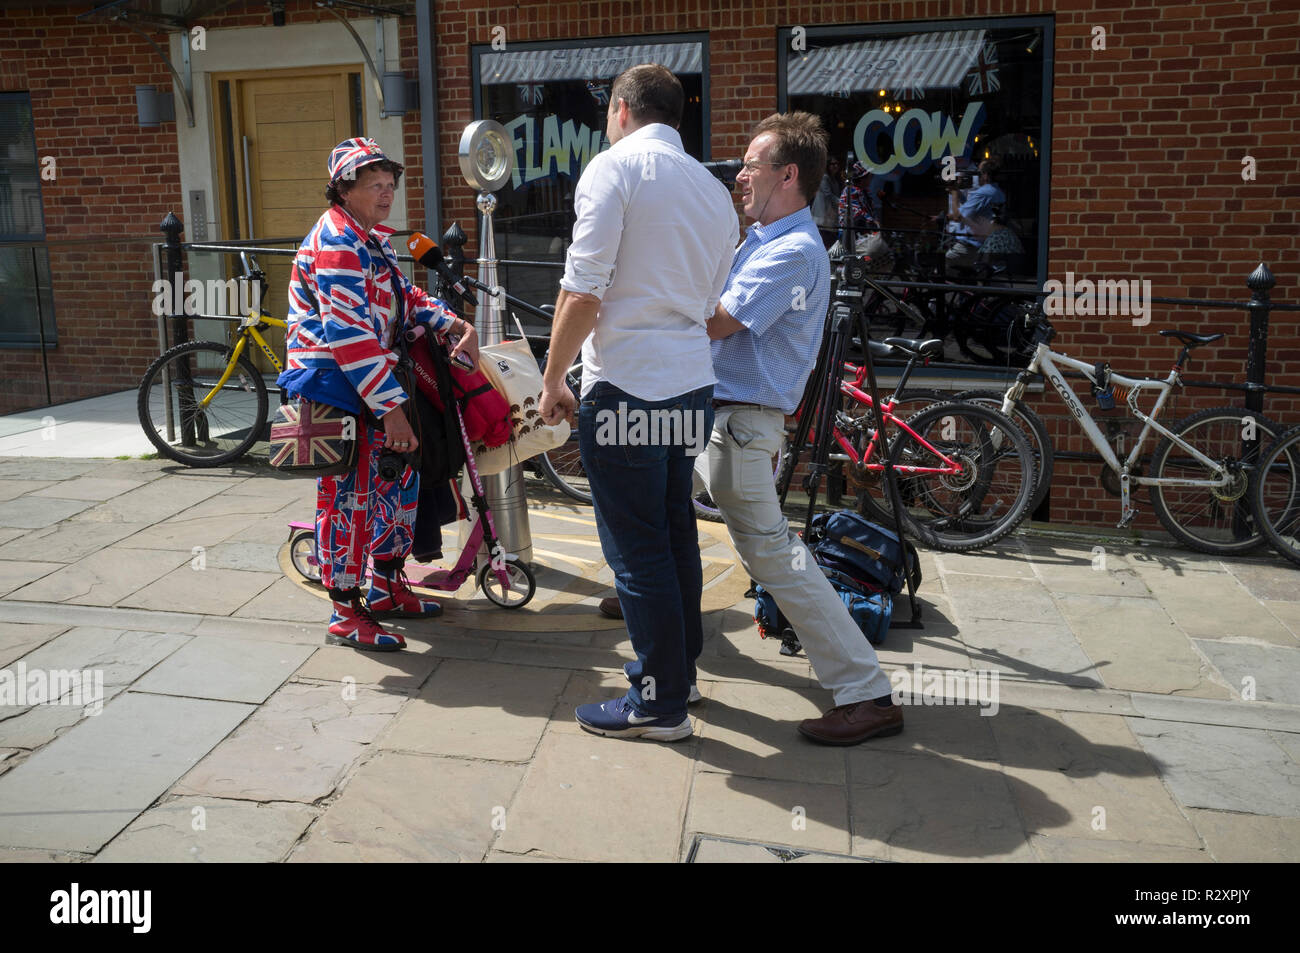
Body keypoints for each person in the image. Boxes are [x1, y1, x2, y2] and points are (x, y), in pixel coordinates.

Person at [539, 64, 738, 742]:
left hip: (626, 383)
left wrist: (552, 378)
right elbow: (711, 302)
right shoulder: (715, 192)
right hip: (689, 386)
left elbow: (584, 291)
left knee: (636, 549)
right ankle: (675, 671)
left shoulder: (612, 169)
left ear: (622, 110)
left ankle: (659, 705)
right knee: (674, 528)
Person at [696, 112, 904, 745]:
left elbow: (717, 321)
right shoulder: (762, 239)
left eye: (751, 165)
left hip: (741, 424)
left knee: (775, 557)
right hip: (720, 419)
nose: (738, 175)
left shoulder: (789, 251)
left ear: (788, 175)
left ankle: (866, 692)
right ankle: (654, 610)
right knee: (660, 504)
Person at [279, 137, 479, 652]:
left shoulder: (371, 238)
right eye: (375, 185)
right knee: (350, 499)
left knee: (393, 489)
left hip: (373, 384)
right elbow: (349, 334)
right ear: (345, 189)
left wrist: (451, 321)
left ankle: (387, 587)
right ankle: (345, 612)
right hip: (341, 391)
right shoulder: (339, 241)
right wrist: (392, 411)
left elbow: (405, 296)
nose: (388, 195)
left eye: (391, 185)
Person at [938, 157, 1005, 274]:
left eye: (978, 173)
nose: (976, 176)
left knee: (938, 266)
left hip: (968, 247)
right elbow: (972, 209)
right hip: (982, 246)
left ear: (985, 175)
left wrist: (953, 193)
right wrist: (958, 192)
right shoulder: (997, 192)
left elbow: (958, 216)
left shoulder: (983, 193)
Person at [810, 155, 843, 236]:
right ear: (828, 165)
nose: (836, 166)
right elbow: (828, 195)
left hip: (830, 214)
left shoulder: (834, 178)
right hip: (822, 214)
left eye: (837, 164)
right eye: (833, 164)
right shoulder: (825, 177)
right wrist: (842, 203)